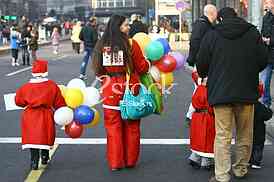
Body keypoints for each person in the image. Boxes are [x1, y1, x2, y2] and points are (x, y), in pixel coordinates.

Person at [196, 8, 268, 182]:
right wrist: (250, 72)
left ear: (219, 18)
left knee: (222, 135)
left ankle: (222, 175)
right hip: (246, 92)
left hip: (221, 93)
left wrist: (208, 74)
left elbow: (202, 62)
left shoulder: (213, 34)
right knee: (245, 133)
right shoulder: (251, 32)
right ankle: (241, 169)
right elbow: (263, 59)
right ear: (237, 17)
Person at [92, 14, 150, 171]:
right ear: (118, 27)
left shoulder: (102, 45)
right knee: (132, 126)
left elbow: (98, 71)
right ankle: (130, 160)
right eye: (125, 25)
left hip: (110, 90)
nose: (128, 27)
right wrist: (148, 62)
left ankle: (116, 162)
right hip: (130, 89)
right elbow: (142, 67)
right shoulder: (131, 44)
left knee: (113, 129)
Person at [15, 60, 66, 170]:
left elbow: (18, 102)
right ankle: (44, 156)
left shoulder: (25, 87)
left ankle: (34, 161)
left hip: (29, 115)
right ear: (45, 71)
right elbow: (59, 103)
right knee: (45, 136)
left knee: (32, 138)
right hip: (45, 114)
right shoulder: (52, 85)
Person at [185, 4, 217, 127]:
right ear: (212, 13)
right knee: (200, 87)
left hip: (201, 61)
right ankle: (191, 114)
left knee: (200, 87)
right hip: (201, 62)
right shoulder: (203, 25)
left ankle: (192, 113)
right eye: (216, 13)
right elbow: (195, 42)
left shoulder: (204, 24)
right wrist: (193, 59)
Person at [189, 72, 215, 170]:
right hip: (207, 117)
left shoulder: (199, 88)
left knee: (197, 138)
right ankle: (206, 161)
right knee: (207, 139)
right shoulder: (209, 91)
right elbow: (211, 107)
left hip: (196, 116)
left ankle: (194, 157)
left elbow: (194, 74)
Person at [250, 83, 273, 169]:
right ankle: (256, 162)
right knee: (258, 146)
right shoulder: (259, 106)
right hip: (259, 131)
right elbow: (268, 115)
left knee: (249, 145)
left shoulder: (248, 105)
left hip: (248, 130)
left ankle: (248, 160)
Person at [261, 4, 274, 108]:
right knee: (265, 82)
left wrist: (271, 40)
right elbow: (263, 33)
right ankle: (266, 103)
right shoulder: (266, 17)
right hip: (268, 55)